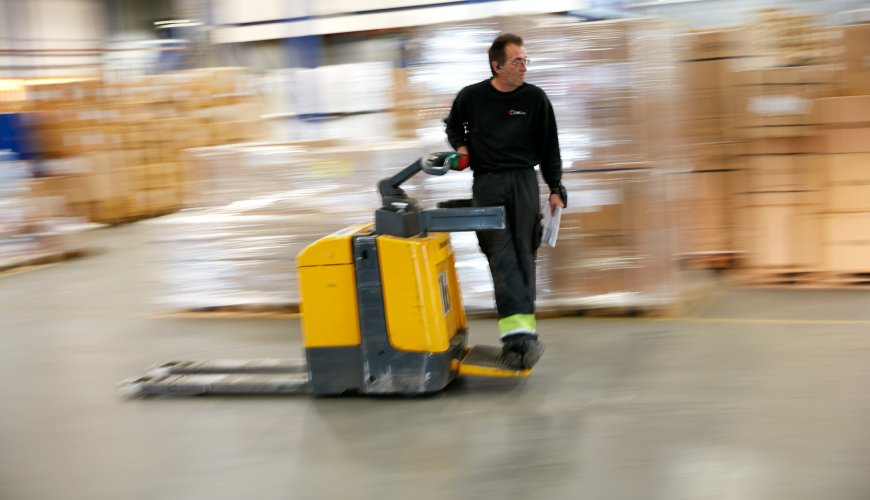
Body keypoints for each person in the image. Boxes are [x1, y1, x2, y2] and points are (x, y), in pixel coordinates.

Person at [444, 32, 566, 370]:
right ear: (497, 66)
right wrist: (462, 149)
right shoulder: (471, 97)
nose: (524, 67)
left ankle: (523, 339)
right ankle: (518, 342)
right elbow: (454, 128)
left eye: (526, 60)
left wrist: (555, 187)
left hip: (524, 182)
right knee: (502, 257)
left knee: (525, 257)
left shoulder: (535, 99)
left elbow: (549, 147)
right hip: (487, 184)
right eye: (517, 61)